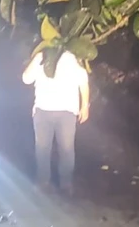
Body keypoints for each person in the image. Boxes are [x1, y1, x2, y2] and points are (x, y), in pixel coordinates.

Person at [22, 49, 89, 196]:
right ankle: (43, 182)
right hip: (43, 110)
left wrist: (85, 105)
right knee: (44, 148)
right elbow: (26, 78)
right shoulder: (42, 56)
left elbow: (83, 79)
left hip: (66, 111)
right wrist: (35, 59)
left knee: (65, 149)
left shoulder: (71, 56)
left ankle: (65, 184)